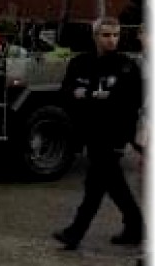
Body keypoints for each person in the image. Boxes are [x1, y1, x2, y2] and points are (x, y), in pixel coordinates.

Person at [53, 17, 145, 250]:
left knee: (94, 186)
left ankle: (75, 233)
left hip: (112, 136)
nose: (112, 40)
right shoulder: (80, 63)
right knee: (114, 184)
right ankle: (136, 226)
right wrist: (84, 97)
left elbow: (129, 104)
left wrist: (125, 138)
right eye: (106, 35)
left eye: (115, 35)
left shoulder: (126, 67)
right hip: (88, 133)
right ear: (95, 36)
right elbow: (66, 93)